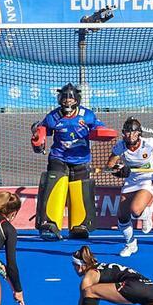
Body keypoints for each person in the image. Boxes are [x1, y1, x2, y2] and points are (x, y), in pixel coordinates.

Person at [31, 83, 116, 240]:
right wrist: (37, 137)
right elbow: (41, 129)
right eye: (64, 99)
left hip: (81, 158)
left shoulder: (87, 115)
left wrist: (103, 132)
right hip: (59, 156)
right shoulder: (53, 116)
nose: (67, 103)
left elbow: (99, 128)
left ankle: (79, 224)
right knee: (55, 185)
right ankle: (50, 223)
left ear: (77, 99)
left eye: (70, 99)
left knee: (80, 189)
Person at [104, 118, 153, 257]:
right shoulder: (120, 147)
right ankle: (131, 244)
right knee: (122, 217)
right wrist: (118, 170)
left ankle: (145, 213)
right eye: (127, 132)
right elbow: (109, 165)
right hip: (131, 181)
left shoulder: (148, 143)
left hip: (148, 179)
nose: (130, 136)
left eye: (133, 133)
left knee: (135, 210)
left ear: (139, 133)